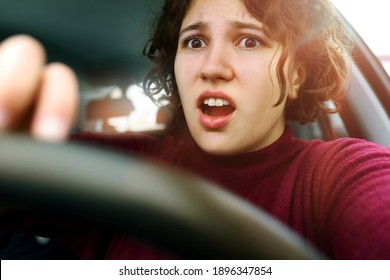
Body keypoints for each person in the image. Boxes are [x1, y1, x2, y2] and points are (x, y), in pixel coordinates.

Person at [0, 0, 389, 260]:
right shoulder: (127, 164)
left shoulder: (339, 173)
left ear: (296, 75)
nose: (212, 66)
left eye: (249, 40)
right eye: (195, 41)